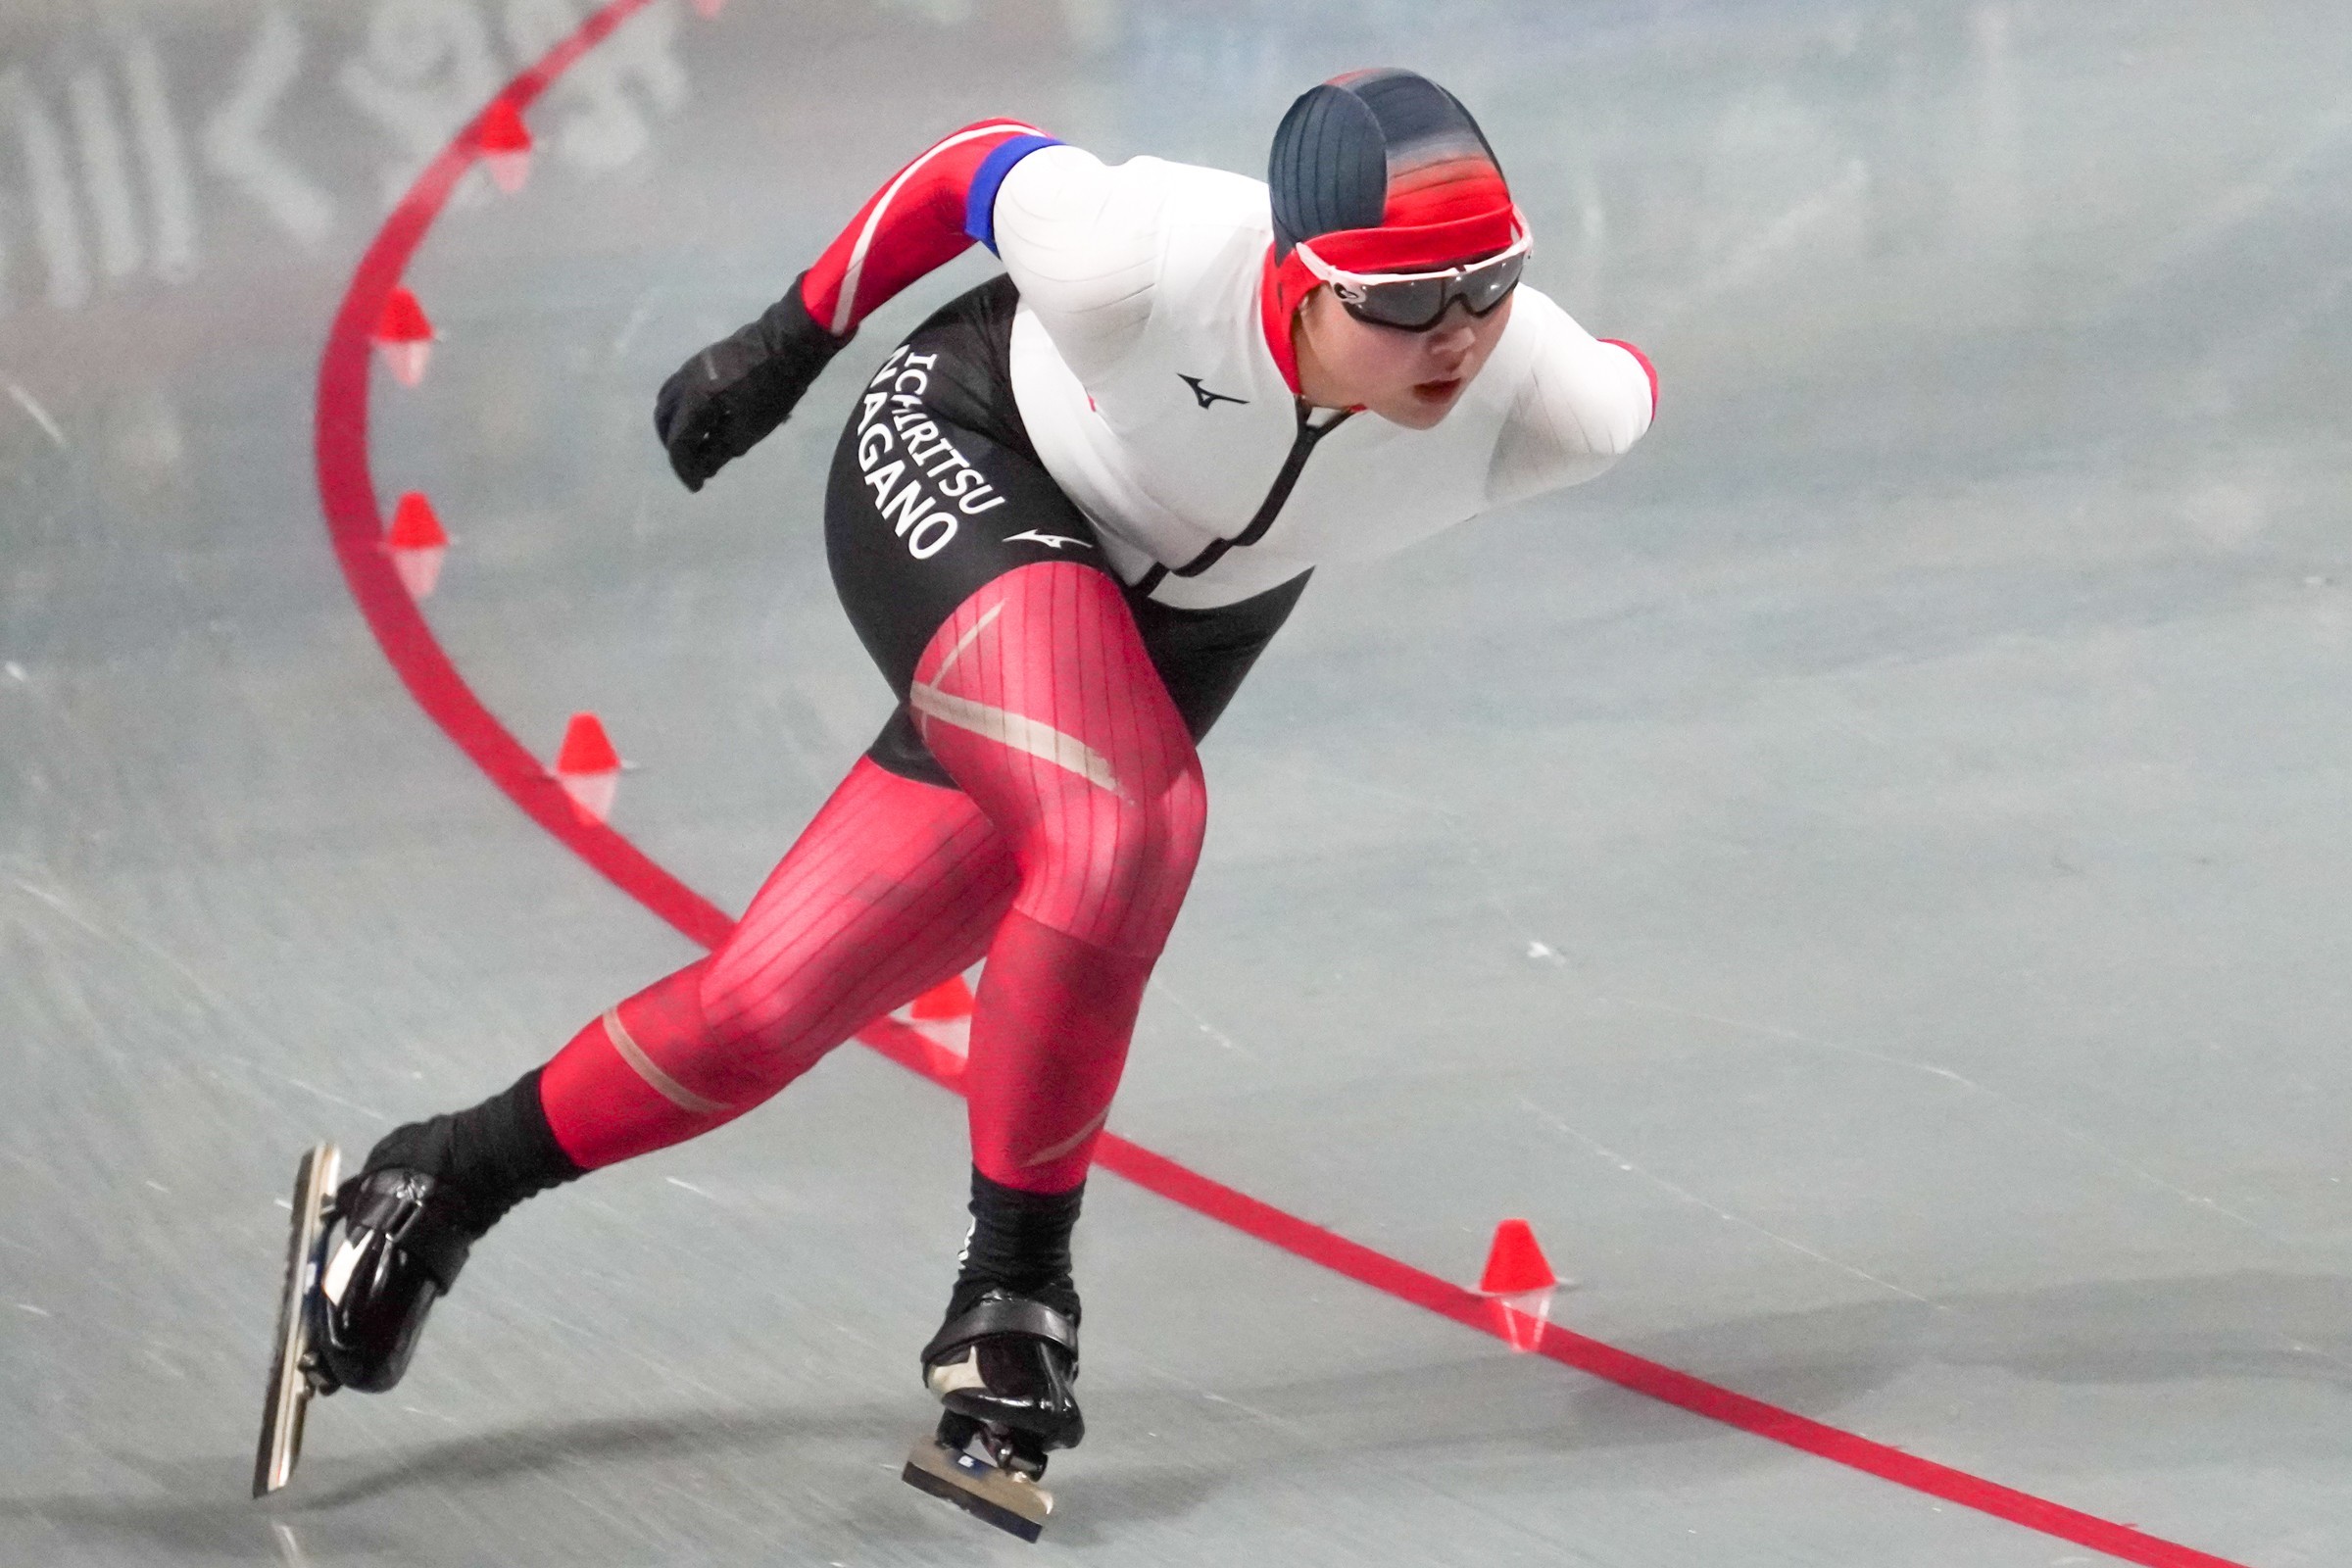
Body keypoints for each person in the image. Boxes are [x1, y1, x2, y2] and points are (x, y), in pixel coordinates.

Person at [298, 68, 1654, 1482]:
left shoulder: (1555, 400)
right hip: (973, 455)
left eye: (1487, 283)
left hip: (1171, 634)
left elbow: (1628, 381)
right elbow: (971, 168)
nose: (1456, 335)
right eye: (1404, 299)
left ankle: (441, 1176)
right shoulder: (1146, 259)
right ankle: (1014, 1288)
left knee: (767, 1008)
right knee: (1129, 827)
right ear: (1300, 275)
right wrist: (784, 344)